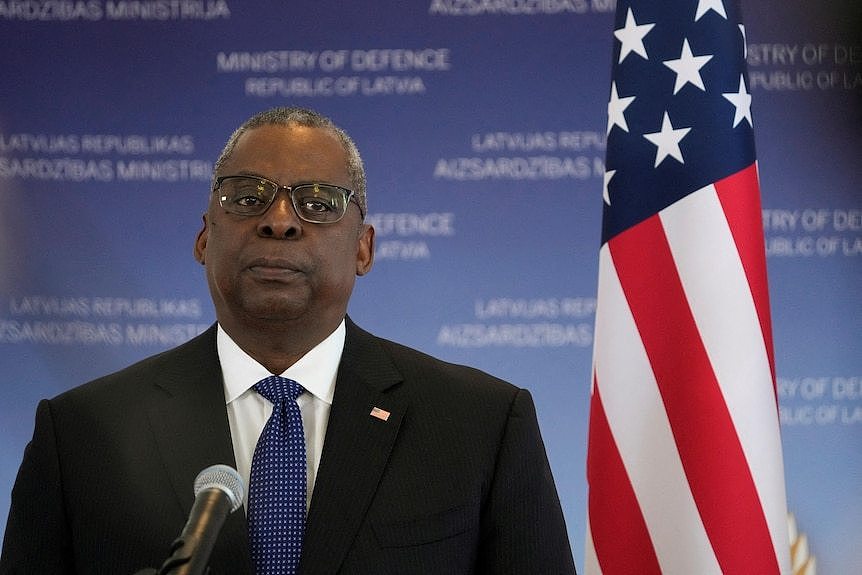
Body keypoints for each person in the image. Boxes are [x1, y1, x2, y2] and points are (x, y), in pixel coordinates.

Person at [0, 107, 576, 574]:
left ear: (364, 248)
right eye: (247, 198)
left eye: (319, 202)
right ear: (204, 237)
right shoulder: (79, 432)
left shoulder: (482, 423)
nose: (280, 220)